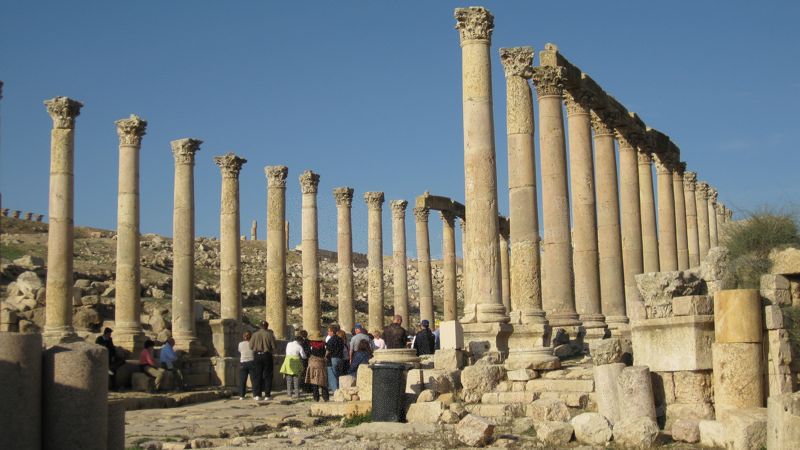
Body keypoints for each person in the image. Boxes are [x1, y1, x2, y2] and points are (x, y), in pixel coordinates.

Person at [250, 321, 278, 401]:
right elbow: (274, 346)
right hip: (267, 355)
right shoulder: (270, 334)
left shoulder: (255, 334)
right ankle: (267, 395)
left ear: (259, 326)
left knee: (257, 375)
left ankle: (257, 395)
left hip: (257, 355)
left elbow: (250, 346)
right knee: (268, 375)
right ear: (267, 326)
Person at [305, 331, 329, 402]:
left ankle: (316, 398)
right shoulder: (324, 345)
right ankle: (326, 397)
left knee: (314, 381)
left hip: (312, 364)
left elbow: (307, 353)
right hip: (321, 364)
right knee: (323, 381)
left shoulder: (311, 345)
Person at [280, 334, 306, 398]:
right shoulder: (299, 346)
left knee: (288, 379)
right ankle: (297, 393)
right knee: (296, 379)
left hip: (288, 361)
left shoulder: (288, 344)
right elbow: (303, 356)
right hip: (296, 362)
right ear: (300, 341)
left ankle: (289, 393)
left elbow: (287, 352)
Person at [325, 325, 345, 392]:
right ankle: (340, 389)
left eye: (328, 331)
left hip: (333, 358)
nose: (327, 332)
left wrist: (325, 357)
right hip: (340, 358)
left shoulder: (331, 340)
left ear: (332, 332)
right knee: (339, 375)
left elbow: (328, 350)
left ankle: (335, 391)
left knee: (332, 376)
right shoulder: (340, 339)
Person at [237, 331, 254, 399]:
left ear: (244, 337)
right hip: (251, 361)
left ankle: (242, 395)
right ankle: (256, 395)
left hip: (243, 362)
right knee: (254, 379)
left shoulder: (240, 344)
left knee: (242, 380)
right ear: (251, 336)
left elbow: (239, 350)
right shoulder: (253, 343)